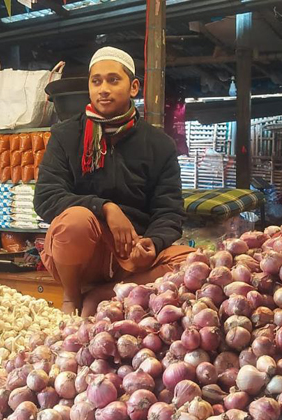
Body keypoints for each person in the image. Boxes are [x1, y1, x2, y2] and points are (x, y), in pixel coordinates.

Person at [34, 47, 193, 317]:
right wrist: (105, 208)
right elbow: (46, 198)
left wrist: (153, 242)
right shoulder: (65, 135)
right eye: (96, 81)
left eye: (113, 80)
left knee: (192, 263)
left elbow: (169, 211)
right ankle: (72, 297)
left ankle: (104, 293)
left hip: (133, 257)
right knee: (74, 221)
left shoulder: (159, 145)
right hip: (81, 255)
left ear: (133, 87)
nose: (103, 89)